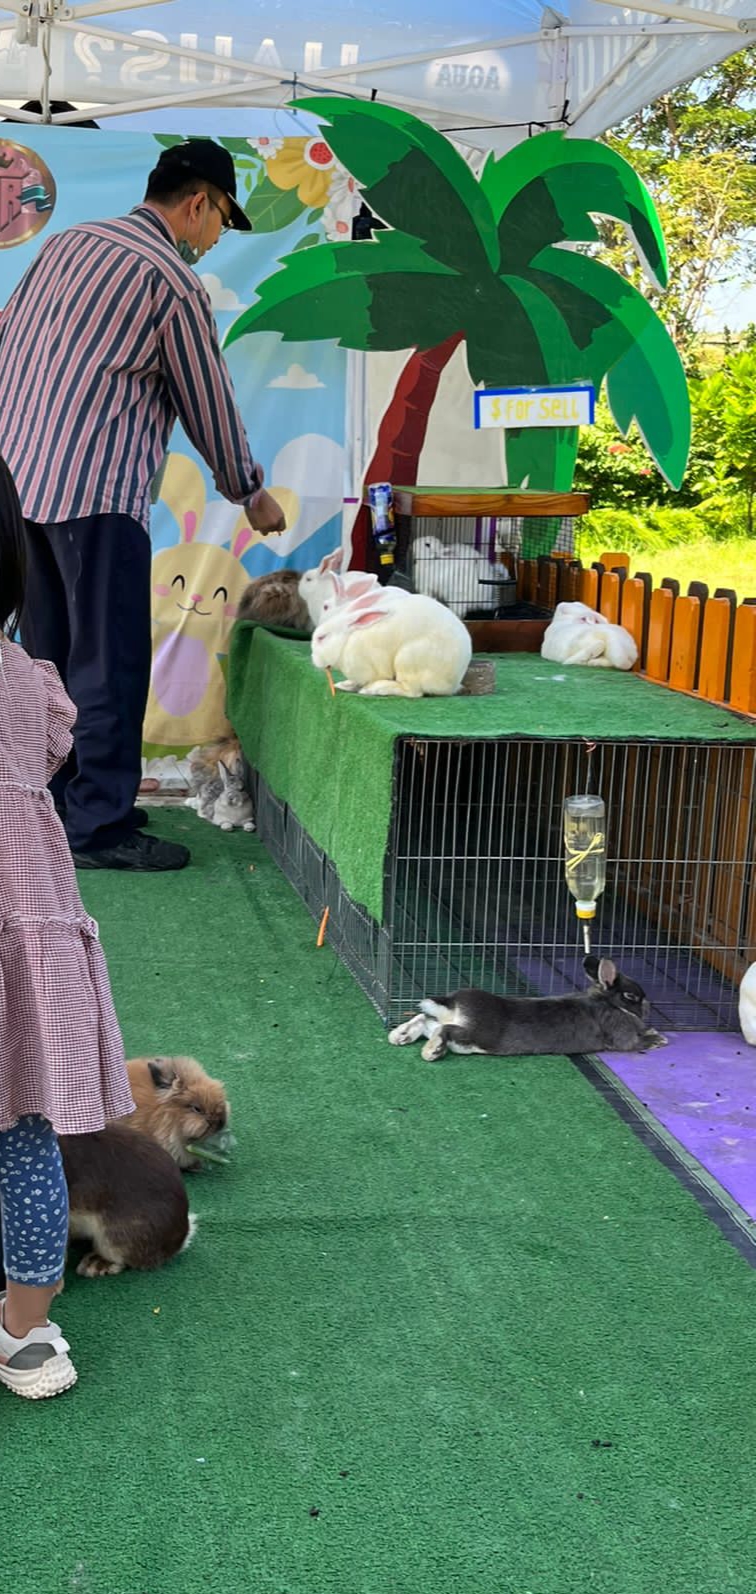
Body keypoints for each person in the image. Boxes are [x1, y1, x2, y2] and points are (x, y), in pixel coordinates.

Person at [0, 138, 285, 873]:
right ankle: (97, 827)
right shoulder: (171, 280)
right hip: (93, 494)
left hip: (17, 487)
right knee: (108, 664)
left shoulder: (67, 244)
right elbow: (206, 398)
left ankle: (51, 807)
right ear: (197, 204)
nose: (216, 238)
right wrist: (249, 490)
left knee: (47, 661)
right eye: (221, 220)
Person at [0, 456, 134, 1399]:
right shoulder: (28, 680)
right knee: (26, 1138)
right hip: (26, 933)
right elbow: (50, 752)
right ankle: (29, 1331)